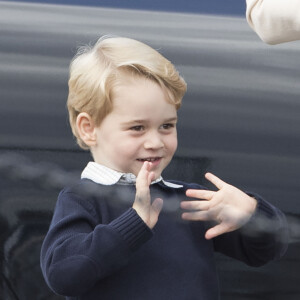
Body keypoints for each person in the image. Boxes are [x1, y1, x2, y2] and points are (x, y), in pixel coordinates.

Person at [40, 36, 288, 300]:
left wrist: (252, 212)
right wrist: (132, 224)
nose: (156, 142)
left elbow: (265, 252)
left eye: (167, 126)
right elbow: (62, 275)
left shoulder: (188, 200)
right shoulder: (83, 199)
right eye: (137, 128)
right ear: (89, 128)